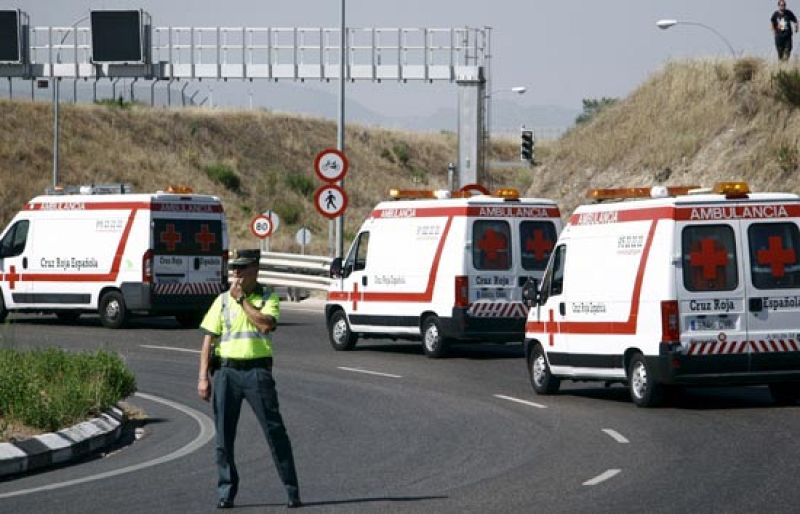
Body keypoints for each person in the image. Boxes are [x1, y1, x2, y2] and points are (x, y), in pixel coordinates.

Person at [197, 249, 302, 509]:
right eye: (234, 269)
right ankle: (226, 492)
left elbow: (266, 324)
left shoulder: (267, 297)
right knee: (223, 437)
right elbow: (208, 339)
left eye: (242, 269)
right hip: (226, 373)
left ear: (255, 269)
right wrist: (202, 378)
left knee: (275, 431)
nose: (237, 274)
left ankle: (292, 491)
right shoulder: (222, 300)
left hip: (257, 373)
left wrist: (242, 299)